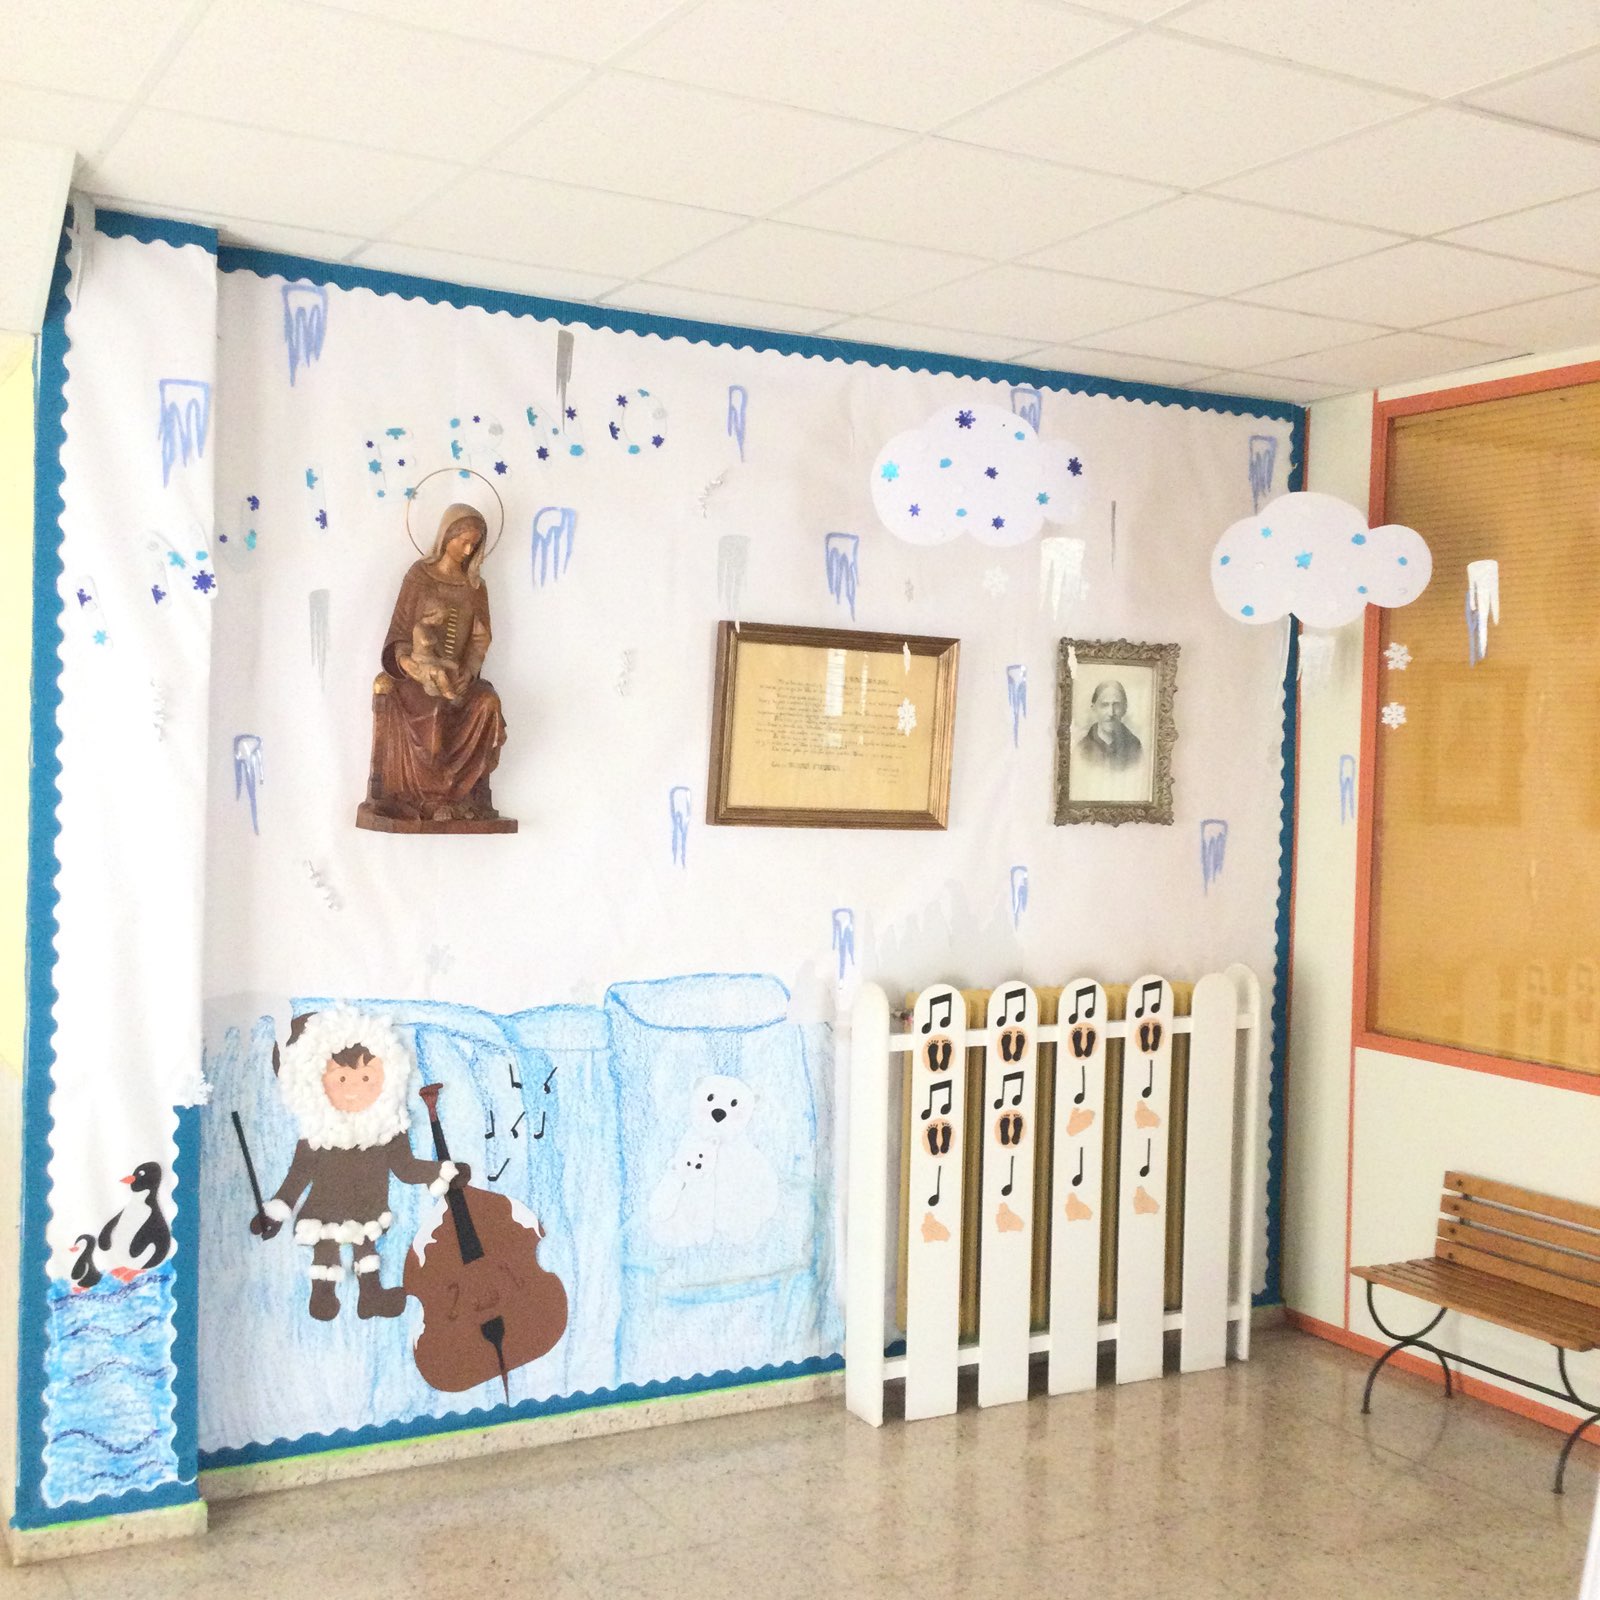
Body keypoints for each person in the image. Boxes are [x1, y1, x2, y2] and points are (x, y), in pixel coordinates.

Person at [251, 1009, 469, 1322]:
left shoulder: (387, 1132)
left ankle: (371, 1296)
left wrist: (443, 1173)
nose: (354, 1088)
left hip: (367, 1206)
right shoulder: (318, 1137)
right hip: (325, 1208)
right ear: (316, 1084)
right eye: (341, 1078)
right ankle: (322, 1293)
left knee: (366, 1248)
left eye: (366, 1078)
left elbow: (405, 1169)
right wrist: (275, 1211)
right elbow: (297, 1177)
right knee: (326, 1248)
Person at [359, 504, 509, 827]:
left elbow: (480, 639)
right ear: (446, 537)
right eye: (463, 542)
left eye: (474, 545)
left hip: (458, 678)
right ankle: (430, 799)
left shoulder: (476, 587)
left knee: (488, 702)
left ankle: (465, 796)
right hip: (417, 675)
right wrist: (410, 663)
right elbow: (399, 633)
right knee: (436, 709)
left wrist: (469, 670)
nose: (468, 551)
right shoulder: (419, 577)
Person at [1076, 679, 1143, 770]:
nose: (1111, 713)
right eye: (1104, 705)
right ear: (1094, 708)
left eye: (1116, 705)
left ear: (1125, 708)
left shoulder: (1135, 748)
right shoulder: (1082, 749)